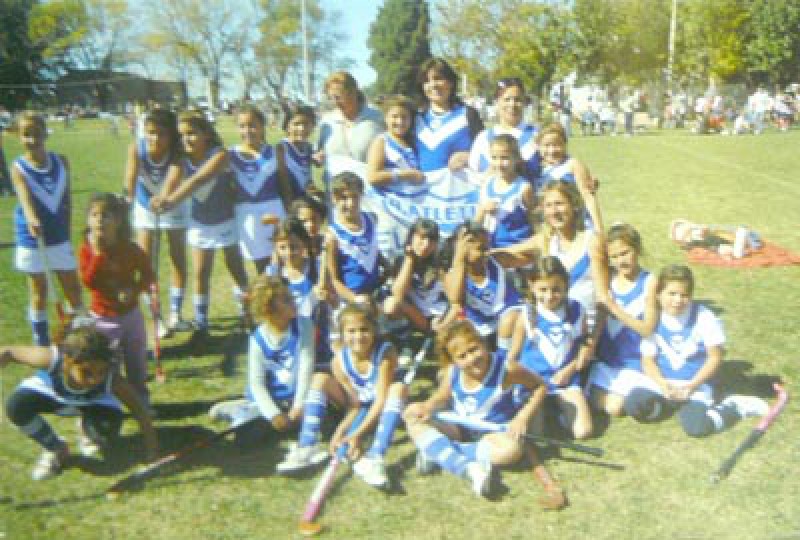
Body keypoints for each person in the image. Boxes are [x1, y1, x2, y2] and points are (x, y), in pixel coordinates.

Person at [403, 319, 546, 497]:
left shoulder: (507, 369)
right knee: (413, 415)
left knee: (512, 451)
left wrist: (522, 418)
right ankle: (467, 468)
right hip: (458, 428)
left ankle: (437, 449)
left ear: (483, 343)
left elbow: (540, 387)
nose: (471, 359)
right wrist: (427, 406)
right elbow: (442, 395)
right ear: (453, 360)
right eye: (462, 356)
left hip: (491, 434)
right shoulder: (452, 371)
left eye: (473, 349)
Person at [626, 265, 769, 436]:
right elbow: (647, 360)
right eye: (672, 294)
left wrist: (692, 386)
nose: (678, 300)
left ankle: (734, 406)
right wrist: (662, 384)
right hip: (663, 383)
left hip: (695, 384)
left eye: (684, 295)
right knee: (634, 405)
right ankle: (670, 405)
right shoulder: (652, 318)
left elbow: (715, 357)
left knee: (697, 428)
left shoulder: (704, 317)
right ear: (658, 294)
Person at [1, 326, 158, 480]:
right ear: (67, 361)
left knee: (102, 437)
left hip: (94, 405)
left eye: (101, 372)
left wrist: (152, 448)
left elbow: (139, 411)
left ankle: (89, 431)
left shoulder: (113, 380)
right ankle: (56, 448)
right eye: (86, 372)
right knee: (16, 406)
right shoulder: (50, 358)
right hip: (52, 397)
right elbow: (8, 352)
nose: (94, 379)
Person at [276, 304, 405, 489]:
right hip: (361, 406)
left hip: (383, 407)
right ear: (342, 334)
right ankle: (307, 445)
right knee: (319, 379)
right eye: (351, 331)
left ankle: (375, 457)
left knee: (398, 388)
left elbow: (380, 401)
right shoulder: (338, 362)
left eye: (364, 329)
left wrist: (356, 434)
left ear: (374, 330)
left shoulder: (385, 353)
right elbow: (354, 406)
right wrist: (340, 432)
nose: (358, 336)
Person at [150, 110, 249, 347]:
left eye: (192, 133)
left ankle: (247, 312)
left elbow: (198, 180)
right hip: (200, 223)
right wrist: (161, 197)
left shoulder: (220, 155)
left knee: (235, 267)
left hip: (226, 220)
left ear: (206, 134)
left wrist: (171, 201)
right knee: (201, 272)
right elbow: (171, 181)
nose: (187, 139)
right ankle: (201, 323)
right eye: (182, 135)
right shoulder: (181, 160)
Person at [209, 274, 314, 445]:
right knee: (246, 438)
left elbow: (305, 370)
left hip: (295, 398)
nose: (294, 302)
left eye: (291, 297)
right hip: (270, 398)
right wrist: (274, 415)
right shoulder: (258, 339)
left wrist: (298, 407)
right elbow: (256, 383)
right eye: (286, 301)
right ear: (268, 310)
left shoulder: (305, 326)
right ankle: (236, 409)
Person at [11, 111, 86, 345]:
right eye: (26, 135)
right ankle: (41, 342)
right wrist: (32, 219)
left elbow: (67, 200)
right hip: (33, 238)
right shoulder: (18, 168)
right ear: (19, 137)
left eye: (37, 133)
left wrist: (67, 232)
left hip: (58, 236)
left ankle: (82, 339)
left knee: (73, 289)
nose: (32, 140)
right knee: (39, 291)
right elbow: (24, 198)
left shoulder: (61, 162)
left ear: (45, 133)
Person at [492, 180, 603, 330]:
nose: (554, 211)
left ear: (574, 205)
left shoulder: (591, 240)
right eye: (548, 206)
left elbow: (603, 297)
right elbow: (505, 254)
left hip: (586, 326)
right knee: (511, 319)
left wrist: (592, 338)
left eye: (559, 204)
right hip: (551, 326)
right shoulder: (545, 241)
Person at [79, 193, 154, 408]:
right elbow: (88, 282)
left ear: (118, 221)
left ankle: (141, 400)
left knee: (136, 361)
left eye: (105, 215)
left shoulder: (130, 249)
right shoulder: (86, 250)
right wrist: (98, 254)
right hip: (103, 318)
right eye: (94, 215)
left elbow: (148, 275)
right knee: (105, 363)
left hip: (131, 316)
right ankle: (105, 402)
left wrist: (134, 290)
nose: (99, 220)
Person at [506, 257, 594, 439]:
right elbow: (513, 357)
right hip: (534, 384)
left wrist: (569, 371)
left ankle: (557, 409)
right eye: (543, 290)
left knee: (583, 431)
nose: (549, 296)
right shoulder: (526, 314)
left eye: (556, 290)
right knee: (536, 435)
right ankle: (545, 408)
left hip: (564, 381)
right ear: (531, 285)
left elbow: (585, 347)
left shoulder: (577, 310)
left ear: (566, 285)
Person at [124, 108, 190, 335]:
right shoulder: (137, 148)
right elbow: (130, 179)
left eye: (161, 134)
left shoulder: (177, 153)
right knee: (145, 262)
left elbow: (172, 179)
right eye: (150, 132)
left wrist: (164, 198)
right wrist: (127, 200)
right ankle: (156, 316)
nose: (155, 138)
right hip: (145, 205)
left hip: (173, 203)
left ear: (171, 135)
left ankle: (176, 313)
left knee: (177, 257)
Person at [587, 224, 658, 416]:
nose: (621, 261)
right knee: (594, 403)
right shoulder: (608, 278)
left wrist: (614, 308)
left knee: (614, 408)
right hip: (607, 360)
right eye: (615, 257)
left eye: (625, 253)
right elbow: (601, 316)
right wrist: (591, 345)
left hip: (634, 360)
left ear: (638, 249)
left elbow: (647, 329)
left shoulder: (649, 282)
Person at [230, 105, 292, 274]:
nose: (247, 131)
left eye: (252, 125)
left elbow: (284, 183)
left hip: (273, 210)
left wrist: (289, 212)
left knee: (282, 258)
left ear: (262, 126)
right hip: (247, 215)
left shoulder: (275, 151)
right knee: (261, 265)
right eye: (242, 126)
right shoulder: (230, 155)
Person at [442, 221, 521, 350]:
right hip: (481, 327)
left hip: (509, 319)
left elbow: (528, 257)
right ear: (462, 249)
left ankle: (504, 357)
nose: (487, 253)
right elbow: (455, 301)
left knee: (510, 319)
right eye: (481, 249)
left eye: (487, 247)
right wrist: (459, 259)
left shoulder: (497, 259)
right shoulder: (452, 275)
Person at [381, 218, 455, 338]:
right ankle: (404, 336)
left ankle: (429, 333)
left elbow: (454, 299)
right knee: (391, 304)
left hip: (437, 314)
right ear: (411, 237)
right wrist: (410, 259)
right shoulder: (400, 259)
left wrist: (444, 320)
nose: (426, 245)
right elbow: (398, 294)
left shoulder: (441, 262)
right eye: (421, 238)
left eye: (431, 240)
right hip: (414, 312)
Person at [324, 172, 383, 307]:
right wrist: (355, 299)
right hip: (352, 299)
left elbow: (371, 251)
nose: (350, 204)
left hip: (375, 293)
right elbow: (334, 279)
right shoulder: (333, 235)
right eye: (344, 198)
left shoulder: (371, 219)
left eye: (355, 197)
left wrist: (387, 267)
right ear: (334, 198)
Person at [415, 57, 484, 172]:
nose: (433, 85)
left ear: (451, 82)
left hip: (461, 183)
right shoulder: (416, 119)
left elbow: (487, 153)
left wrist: (469, 156)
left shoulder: (468, 115)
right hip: (424, 184)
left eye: (438, 78)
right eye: (426, 81)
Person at [469, 77, 540, 182]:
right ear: (497, 102)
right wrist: (487, 176)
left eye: (517, 99)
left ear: (524, 102)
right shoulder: (483, 138)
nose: (512, 104)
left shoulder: (537, 135)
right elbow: (473, 178)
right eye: (507, 99)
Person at [533, 123, 602, 231]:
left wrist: (599, 229)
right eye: (546, 145)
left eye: (557, 145)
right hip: (551, 228)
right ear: (538, 146)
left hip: (578, 226)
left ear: (565, 144)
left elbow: (589, 197)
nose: (552, 150)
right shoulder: (537, 170)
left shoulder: (573, 165)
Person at [317, 71, 384, 181]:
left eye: (338, 97)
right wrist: (319, 157)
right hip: (335, 189)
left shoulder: (377, 118)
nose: (335, 102)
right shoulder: (326, 122)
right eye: (331, 98)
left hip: (368, 188)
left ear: (353, 93)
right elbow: (319, 154)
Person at [474, 134, 535, 250]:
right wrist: (483, 210)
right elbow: (476, 222)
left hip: (516, 251)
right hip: (489, 249)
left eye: (504, 158)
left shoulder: (524, 187)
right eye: (494, 158)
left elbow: (534, 221)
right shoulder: (486, 184)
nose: (499, 163)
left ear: (516, 159)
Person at [366, 94, 425, 187]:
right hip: (390, 195)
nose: (400, 121)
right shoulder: (381, 142)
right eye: (394, 116)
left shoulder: (412, 140)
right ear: (386, 118)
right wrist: (405, 175)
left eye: (404, 117)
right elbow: (373, 177)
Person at [277, 103, 318, 199]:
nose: (302, 128)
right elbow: (281, 183)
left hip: (305, 201)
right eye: (296, 124)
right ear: (287, 126)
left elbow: (307, 177)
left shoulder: (309, 148)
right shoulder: (281, 149)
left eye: (306, 124)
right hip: (288, 202)